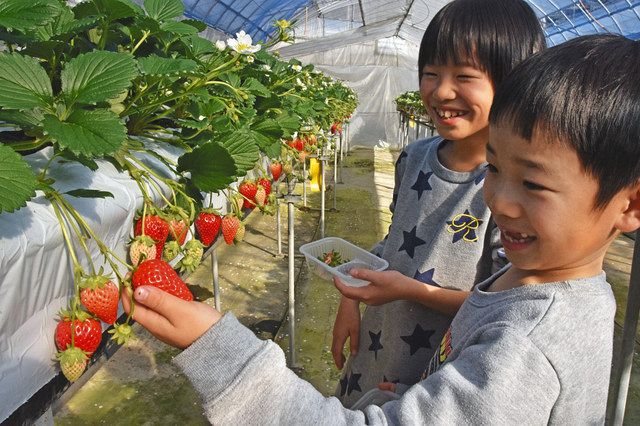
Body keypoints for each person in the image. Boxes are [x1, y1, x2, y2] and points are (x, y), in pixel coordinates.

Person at [124, 34, 640, 423]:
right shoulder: (544, 278)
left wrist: (224, 354)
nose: (500, 200)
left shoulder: (527, 352)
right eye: (495, 169)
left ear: (630, 203)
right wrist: (416, 393)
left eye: (534, 183)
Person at [331, 0, 545, 406]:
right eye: (430, 74)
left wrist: (411, 291)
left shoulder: (512, 191)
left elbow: (503, 305)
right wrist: (350, 298)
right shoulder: (414, 158)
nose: (441, 91)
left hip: (438, 372)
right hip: (379, 342)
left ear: (515, 84)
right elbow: (393, 242)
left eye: (464, 76)